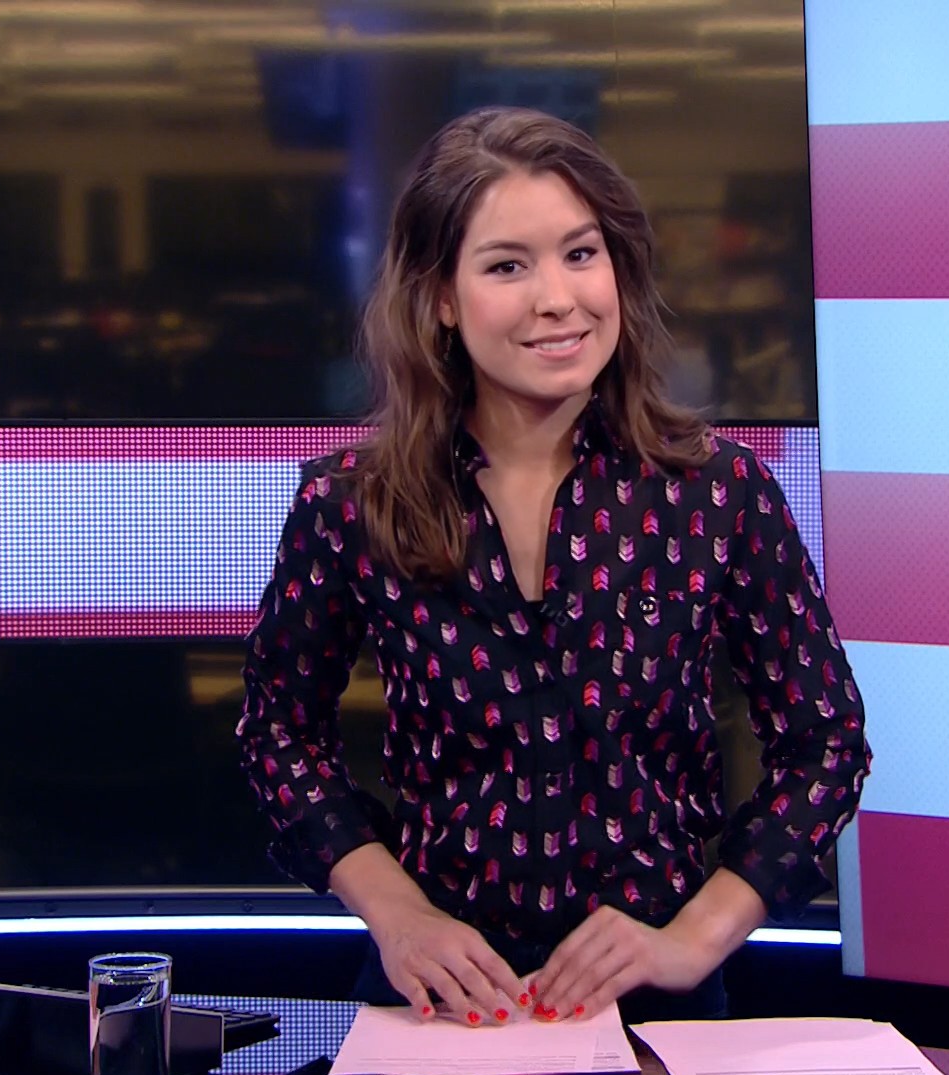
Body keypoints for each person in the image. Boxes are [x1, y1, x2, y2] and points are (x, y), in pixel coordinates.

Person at [234, 106, 871, 1028]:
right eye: (507, 266)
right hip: (443, 1000)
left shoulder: (718, 492)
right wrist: (399, 916)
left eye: (581, 253)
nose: (559, 299)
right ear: (441, 297)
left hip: (654, 1005)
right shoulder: (352, 502)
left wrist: (695, 938)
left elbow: (826, 742)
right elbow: (278, 733)